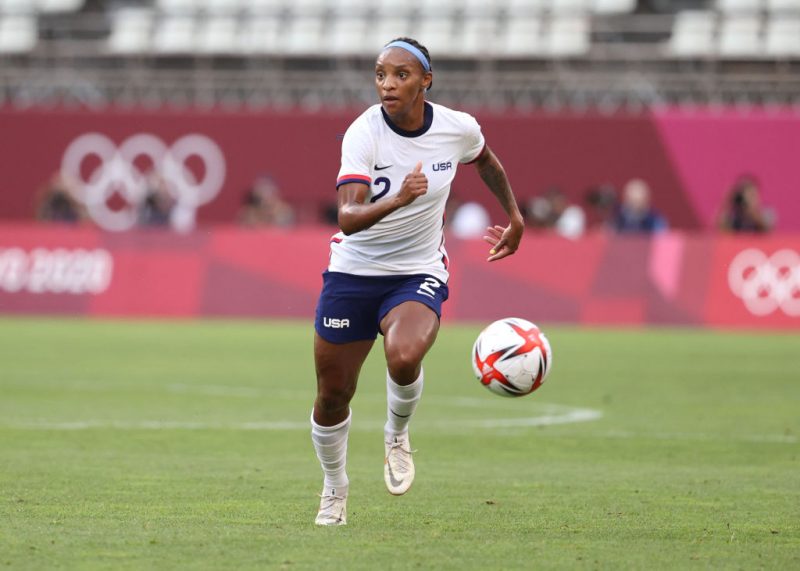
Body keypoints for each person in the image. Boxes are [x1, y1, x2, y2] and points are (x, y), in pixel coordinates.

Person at [311, 37, 525, 526]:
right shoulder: (362, 134)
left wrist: (514, 215)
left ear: (426, 80)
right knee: (332, 396)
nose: (388, 84)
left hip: (417, 268)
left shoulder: (457, 128)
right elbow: (347, 216)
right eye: (381, 74)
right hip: (354, 271)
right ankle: (334, 487)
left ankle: (396, 434)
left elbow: (486, 161)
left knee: (404, 355)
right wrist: (398, 199)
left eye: (401, 75)